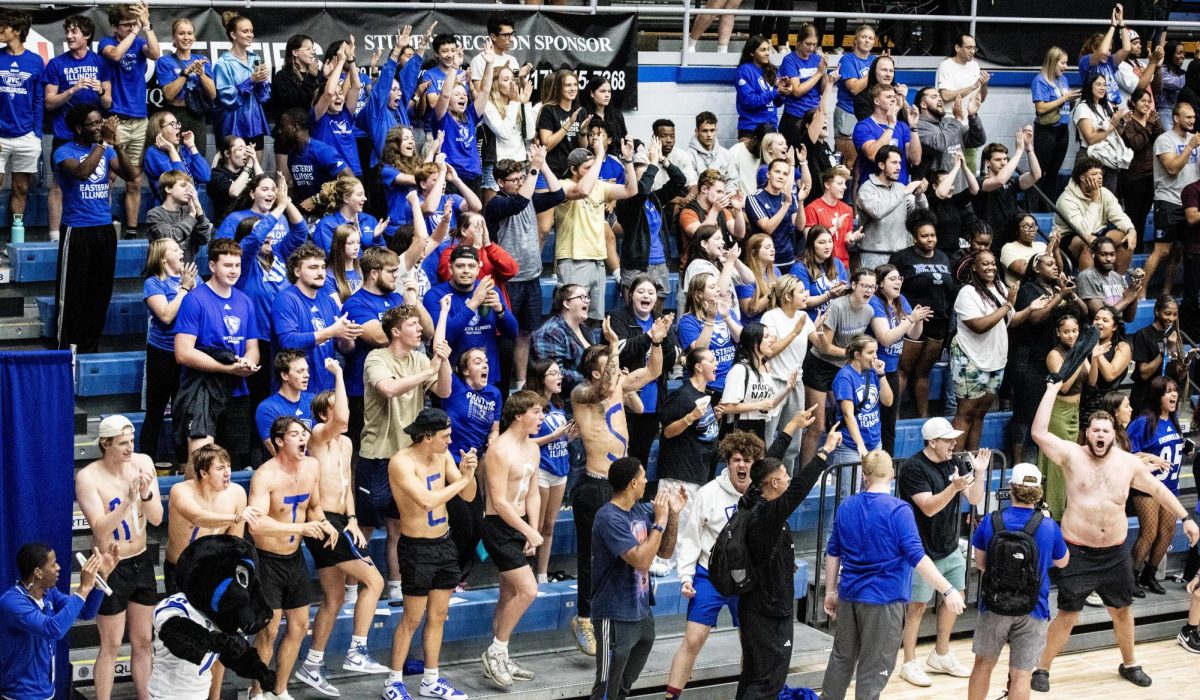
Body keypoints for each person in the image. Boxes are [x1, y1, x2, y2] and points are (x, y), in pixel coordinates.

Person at [1030, 381, 1200, 691]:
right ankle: (1042, 668)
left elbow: (1160, 490)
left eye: (1105, 432)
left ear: (1113, 436)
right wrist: (1052, 391)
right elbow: (1039, 434)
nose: (1100, 436)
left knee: (1122, 611)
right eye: (1095, 431)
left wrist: (1186, 518)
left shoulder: (1128, 463)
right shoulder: (1071, 456)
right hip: (1077, 551)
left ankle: (1130, 663)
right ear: (1087, 434)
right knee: (1068, 613)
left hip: (1114, 552)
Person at [820, 450, 969, 700]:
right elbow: (917, 557)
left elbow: (832, 552)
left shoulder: (847, 506)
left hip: (849, 596)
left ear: (865, 475)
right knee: (873, 667)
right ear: (891, 473)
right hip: (884, 601)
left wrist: (830, 592)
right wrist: (948, 589)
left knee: (841, 658)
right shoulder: (899, 510)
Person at [294, 363, 390, 695]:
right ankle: (357, 650)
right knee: (374, 580)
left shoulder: (345, 445)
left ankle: (312, 664)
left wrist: (352, 519)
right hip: (321, 522)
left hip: (340, 520)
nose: (342, 409)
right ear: (324, 415)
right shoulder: (318, 435)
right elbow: (344, 419)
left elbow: (347, 484)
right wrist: (337, 374)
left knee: (334, 598)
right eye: (337, 403)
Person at [569, 324, 664, 656]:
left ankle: (625, 612)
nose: (617, 363)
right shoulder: (582, 393)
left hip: (621, 485)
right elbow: (603, 389)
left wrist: (656, 341)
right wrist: (612, 343)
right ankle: (584, 618)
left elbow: (654, 370)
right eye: (610, 360)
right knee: (592, 557)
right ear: (597, 371)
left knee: (630, 549)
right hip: (594, 485)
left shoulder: (618, 385)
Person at [382, 409, 478, 700]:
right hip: (416, 549)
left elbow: (469, 495)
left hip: (444, 544)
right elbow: (425, 501)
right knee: (412, 618)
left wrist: (468, 474)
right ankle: (393, 682)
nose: (450, 441)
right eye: (445, 436)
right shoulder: (401, 463)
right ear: (426, 437)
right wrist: (461, 481)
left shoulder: (444, 456)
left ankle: (431, 680)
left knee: (438, 616)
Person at [737, 430, 842, 697]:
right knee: (768, 682)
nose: (788, 478)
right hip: (770, 611)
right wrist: (824, 450)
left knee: (753, 676)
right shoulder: (768, 513)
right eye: (784, 476)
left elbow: (765, 465)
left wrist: (788, 431)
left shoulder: (752, 498)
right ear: (772, 484)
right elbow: (800, 488)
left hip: (755, 606)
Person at [359, 304, 452, 601]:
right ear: (396, 332)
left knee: (399, 525)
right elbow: (388, 389)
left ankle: (396, 586)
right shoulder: (376, 358)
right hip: (377, 453)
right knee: (365, 526)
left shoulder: (420, 358)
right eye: (413, 324)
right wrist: (428, 369)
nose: (420, 329)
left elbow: (444, 391)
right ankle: (351, 589)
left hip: (407, 455)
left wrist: (442, 361)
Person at [245, 417, 339, 699]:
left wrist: (324, 523)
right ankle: (257, 691)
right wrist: (301, 528)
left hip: (294, 557)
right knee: (269, 631)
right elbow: (256, 524)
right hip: (266, 560)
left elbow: (314, 505)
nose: (303, 438)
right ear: (278, 441)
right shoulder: (265, 475)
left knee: (298, 627)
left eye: (304, 433)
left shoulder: (312, 466)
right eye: (295, 434)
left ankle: (280, 690)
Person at [665, 430, 762, 699]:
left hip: (746, 580)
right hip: (710, 575)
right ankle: (672, 696)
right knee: (693, 639)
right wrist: (685, 577)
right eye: (737, 460)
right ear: (728, 463)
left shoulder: (761, 495)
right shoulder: (708, 494)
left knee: (751, 644)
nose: (742, 465)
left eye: (748, 460)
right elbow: (691, 539)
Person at [75, 414, 164, 700]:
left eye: (132, 441)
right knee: (111, 643)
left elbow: (158, 519)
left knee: (143, 640)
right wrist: (127, 499)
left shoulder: (143, 463)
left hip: (140, 558)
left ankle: (144, 696)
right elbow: (100, 528)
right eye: (122, 443)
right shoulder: (88, 476)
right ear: (105, 444)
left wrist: (146, 493)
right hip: (109, 566)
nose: (129, 449)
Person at [896, 418, 988, 687]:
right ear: (932, 442)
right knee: (916, 608)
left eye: (953, 439)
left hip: (949, 545)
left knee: (955, 598)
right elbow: (928, 508)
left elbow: (973, 499)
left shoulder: (955, 462)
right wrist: (954, 487)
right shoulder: (914, 468)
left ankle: (941, 654)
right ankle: (908, 662)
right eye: (948, 440)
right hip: (920, 551)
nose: (954, 443)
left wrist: (979, 473)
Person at [966, 464, 1069, 700]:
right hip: (1034, 607)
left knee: (983, 664)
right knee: (1022, 674)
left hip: (994, 604)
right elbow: (1063, 562)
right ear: (1038, 492)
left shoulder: (991, 521)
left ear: (1011, 488)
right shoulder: (1048, 526)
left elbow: (981, 565)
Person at [588, 457, 685, 700]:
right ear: (632, 483)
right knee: (606, 688)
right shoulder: (609, 517)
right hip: (614, 613)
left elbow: (664, 551)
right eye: (642, 477)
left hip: (641, 612)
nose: (646, 481)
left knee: (623, 686)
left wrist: (673, 515)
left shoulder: (639, 511)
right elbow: (641, 560)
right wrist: (660, 521)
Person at [173, 238, 262, 469]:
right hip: (202, 389)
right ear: (212, 266)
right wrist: (225, 368)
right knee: (201, 463)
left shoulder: (245, 301)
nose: (233, 271)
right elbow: (183, 352)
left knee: (232, 466)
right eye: (227, 265)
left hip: (237, 392)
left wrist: (247, 364)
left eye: (237, 265)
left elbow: (252, 348)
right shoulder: (195, 300)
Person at [53, 106, 135, 354]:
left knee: (99, 296)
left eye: (101, 122)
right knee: (73, 297)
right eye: (93, 124)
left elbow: (131, 175)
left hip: (104, 229)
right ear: (79, 128)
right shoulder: (63, 152)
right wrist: (103, 143)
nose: (99, 127)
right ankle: (66, 352)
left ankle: (89, 351)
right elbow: (81, 173)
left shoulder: (107, 148)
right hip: (77, 231)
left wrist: (117, 145)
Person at [478, 391, 545, 687]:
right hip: (497, 526)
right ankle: (495, 652)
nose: (542, 418)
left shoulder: (532, 449)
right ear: (519, 415)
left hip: (520, 526)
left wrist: (533, 528)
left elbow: (532, 493)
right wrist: (527, 530)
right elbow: (499, 501)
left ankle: (501, 655)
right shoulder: (499, 450)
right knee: (528, 591)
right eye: (536, 412)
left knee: (509, 595)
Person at [0, 543, 115, 700]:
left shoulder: (49, 593)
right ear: (38, 572)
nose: (59, 567)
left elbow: (86, 611)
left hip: (47, 692)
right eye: (53, 564)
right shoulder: (12, 603)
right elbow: (53, 630)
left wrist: (100, 578)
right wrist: (83, 588)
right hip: (21, 695)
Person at [44, 15, 113, 243]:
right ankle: (55, 234)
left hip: (93, 134)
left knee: (103, 179)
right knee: (58, 185)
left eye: (74, 32)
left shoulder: (99, 62)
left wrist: (100, 91)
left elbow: (108, 103)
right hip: (64, 134)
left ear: (87, 35)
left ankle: (102, 221)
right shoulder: (57, 64)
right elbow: (49, 102)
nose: (69, 36)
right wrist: (73, 89)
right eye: (68, 32)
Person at [556, 139, 638, 323]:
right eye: (587, 167)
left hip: (597, 259)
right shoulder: (563, 185)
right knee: (572, 318)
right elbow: (582, 190)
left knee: (594, 320)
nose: (594, 171)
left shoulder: (600, 186)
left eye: (595, 167)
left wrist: (628, 161)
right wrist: (600, 155)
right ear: (573, 169)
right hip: (574, 259)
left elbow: (631, 190)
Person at [98, 1, 160, 239]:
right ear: (114, 27)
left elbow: (155, 54)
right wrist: (136, 30)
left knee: (134, 178)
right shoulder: (107, 43)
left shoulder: (139, 41)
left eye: (133, 24)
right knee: (109, 176)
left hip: (139, 119)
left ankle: (132, 230)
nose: (131, 28)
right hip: (116, 118)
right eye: (126, 25)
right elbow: (114, 56)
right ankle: (101, 224)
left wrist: (147, 26)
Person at [271, 242, 362, 394]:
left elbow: (346, 349)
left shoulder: (328, 300)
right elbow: (288, 342)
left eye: (322, 267)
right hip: (296, 392)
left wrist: (347, 336)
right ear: (297, 271)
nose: (320, 272)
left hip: (326, 388)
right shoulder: (286, 299)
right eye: (313, 268)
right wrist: (332, 331)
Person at [891, 208, 956, 418]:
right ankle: (894, 417)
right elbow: (892, 289)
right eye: (924, 236)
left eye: (933, 235)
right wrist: (903, 315)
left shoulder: (944, 257)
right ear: (914, 237)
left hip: (939, 322)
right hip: (912, 321)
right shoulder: (902, 258)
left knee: (923, 374)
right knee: (903, 371)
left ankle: (923, 419)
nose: (930, 240)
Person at [423, 245, 518, 381]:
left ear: (478, 268)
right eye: (460, 266)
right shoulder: (435, 295)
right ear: (450, 268)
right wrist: (473, 303)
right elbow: (444, 336)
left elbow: (513, 333)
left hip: (487, 375)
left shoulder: (490, 290)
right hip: (452, 377)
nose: (466, 271)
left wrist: (500, 310)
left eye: (471, 266)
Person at [1128, 376, 1186, 596]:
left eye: (1175, 391)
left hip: (1170, 485)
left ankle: (1148, 574)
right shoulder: (1143, 422)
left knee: (1168, 532)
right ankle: (1132, 575)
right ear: (1157, 396)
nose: (1173, 395)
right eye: (1167, 392)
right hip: (1147, 486)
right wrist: (1151, 459)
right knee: (1149, 532)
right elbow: (1126, 452)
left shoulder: (1174, 419)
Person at [141, 238, 196, 461]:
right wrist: (184, 288)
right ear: (163, 258)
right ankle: (146, 463)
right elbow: (165, 315)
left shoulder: (194, 278)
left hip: (189, 352)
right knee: (155, 412)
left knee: (183, 414)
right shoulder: (154, 283)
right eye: (175, 249)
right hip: (162, 354)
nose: (181, 251)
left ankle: (184, 464)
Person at [616, 137, 687, 298]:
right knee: (633, 316)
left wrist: (662, 160)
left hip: (660, 263)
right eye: (642, 177)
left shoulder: (655, 198)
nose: (647, 181)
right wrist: (653, 165)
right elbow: (640, 192)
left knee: (657, 315)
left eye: (646, 175)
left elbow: (680, 181)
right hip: (637, 265)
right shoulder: (624, 201)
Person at [1038, 314, 1093, 519]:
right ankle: (1054, 512)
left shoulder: (1079, 351)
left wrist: (1092, 356)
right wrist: (1079, 355)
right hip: (1058, 412)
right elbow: (1064, 386)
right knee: (1057, 463)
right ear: (1058, 333)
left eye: (1075, 331)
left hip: (1075, 413)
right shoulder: (1055, 354)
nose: (1071, 335)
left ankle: (1069, 508)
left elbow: (1092, 380)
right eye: (1067, 331)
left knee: (1072, 463)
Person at [870, 265, 930, 453]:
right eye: (892, 279)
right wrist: (910, 319)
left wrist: (918, 319)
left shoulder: (901, 300)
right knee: (872, 421)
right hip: (872, 370)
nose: (898, 282)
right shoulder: (874, 303)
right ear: (880, 284)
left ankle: (886, 466)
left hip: (891, 369)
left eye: (899, 278)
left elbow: (914, 334)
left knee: (889, 423)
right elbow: (885, 338)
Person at [527, 359, 576, 583]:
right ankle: (524, 573)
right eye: (553, 374)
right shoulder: (530, 404)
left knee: (549, 526)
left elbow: (562, 439)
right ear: (541, 378)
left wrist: (571, 435)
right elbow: (525, 442)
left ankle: (542, 575)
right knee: (535, 526)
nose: (560, 377)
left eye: (559, 373)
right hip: (542, 470)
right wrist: (554, 436)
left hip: (561, 469)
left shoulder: (558, 404)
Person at [1144, 100, 1200, 295]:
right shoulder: (1165, 140)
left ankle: (1166, 292)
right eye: (1188, 117)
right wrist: (1189, 148)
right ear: (1176, 118)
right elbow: (1172, 168)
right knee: (1162, 250)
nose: (1192, 120)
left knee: (1178, 251)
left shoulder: (1195, 139)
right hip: (1168, 199)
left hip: (1189, 202)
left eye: (1194, 117)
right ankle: (1140, 291)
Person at [0, 9, 44, 242]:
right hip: (0, 136)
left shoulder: (35, 61)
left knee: (21, 190)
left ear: (17, 31)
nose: (0, 30)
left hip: (26, 136)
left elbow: (38, 100)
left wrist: (36, 134)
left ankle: (15, 244)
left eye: (4, 26)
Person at [1052, 157, 1138, 274]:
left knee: (1125, 238)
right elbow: (1084, 231)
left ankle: (1118, 282)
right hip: (1070, 240)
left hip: (1097, 234)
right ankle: (1088, 286)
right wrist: (1095, 200)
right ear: (1083, 178)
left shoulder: (1105, 193)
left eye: (1100, 174)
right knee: (1091, 241)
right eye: (1094, 174)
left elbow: (1119, 215)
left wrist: (1131, 230)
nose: (1099, 177)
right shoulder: (1066, 199)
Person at [858, 145, 929, 270]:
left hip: (901, 253)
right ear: (881, 165)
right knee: (873, 289)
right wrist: (905, 191)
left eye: (900, 163)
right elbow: (877, 212)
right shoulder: (867, 188)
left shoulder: (900, 187)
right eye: (894, 163)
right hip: (875, 254)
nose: (899, 167)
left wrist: (919, 195)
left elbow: (920, 215)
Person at [828, 334, 893, 468]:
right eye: (870, 352)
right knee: (850, 488)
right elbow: (848, 414)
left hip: (875, 441)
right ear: (857, 355)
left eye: (875, 351)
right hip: (851, 445)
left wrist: (881, 374)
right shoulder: (845, 377)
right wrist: (860, 445)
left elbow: (888, 402)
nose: (875, 356)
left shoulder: (873, 372)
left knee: (874, 486)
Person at [213, 12, 270, 157]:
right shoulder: (223, 63)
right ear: (233, 35)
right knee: (234, 173)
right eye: (245, 31)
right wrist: (251, 80)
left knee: (256, 172)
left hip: (254, 123)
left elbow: (264, 97)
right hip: (233, 125)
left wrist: (262, 82)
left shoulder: (255, 58)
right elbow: (227, 98)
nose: (250, 34)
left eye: (251, 31)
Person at [276, 108, 354, 212]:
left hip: (331, 212)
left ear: (295, 127)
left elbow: (351, 180)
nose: (279, 131)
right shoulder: (292, 156)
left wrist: (317, 199)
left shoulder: (322, 151)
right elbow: (302, 189)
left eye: (283, 126)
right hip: (309, 214)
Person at [154, 17, 215, 148]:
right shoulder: (164, 61)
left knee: (197, 157)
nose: (186, 37)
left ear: (194, 37)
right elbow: (169, 95)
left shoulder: (202, 59)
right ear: (173, 37)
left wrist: (201, 74)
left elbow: (213, 94)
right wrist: (186, 72)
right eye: (181, 34)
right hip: (174, 115)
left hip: (197, 116)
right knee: (176, 155)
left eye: (189, 33)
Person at [914, 86, 986, 194]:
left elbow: (978, 140)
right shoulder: (918, 126)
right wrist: (957, 120)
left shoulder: (949, 122)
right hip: (937, 194)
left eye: (939, 96)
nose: (940, 99)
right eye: (934, 97)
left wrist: (973, 116)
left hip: (960, 189)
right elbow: (939, 145)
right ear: (923, 104)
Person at [1031, 46, 1080, 206]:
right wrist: (1064, 98)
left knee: (1053, 173)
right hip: (1046, 131)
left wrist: (1070, 100)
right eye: (1063, 63)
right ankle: (1032, 207)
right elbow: (1041, 108)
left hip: (1062, 130)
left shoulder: (1063, 80)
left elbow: (1064, 106)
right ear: (1053, 61)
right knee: (1039, 172)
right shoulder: (1040, 80)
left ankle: (1048, 208)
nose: (1066, 67)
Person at [935, 33, 990, 170]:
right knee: (950, 166)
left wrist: (983, 85)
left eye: (975, 48)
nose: (972, 51)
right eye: (969, 47)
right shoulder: (946, 65)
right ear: (957, 48)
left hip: (969, 121)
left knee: (970, 167)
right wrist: (972, 86)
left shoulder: (975, 66)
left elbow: (981, 99)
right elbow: (945, 96)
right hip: (949, 121)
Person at [976, 138, 1042, 250]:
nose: (1003, 163)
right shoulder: (980, 181)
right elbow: (999, 181)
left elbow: (1036, 175)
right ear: (987, 162)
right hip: (990, 241)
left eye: (1005, 159)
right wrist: (1018, 151)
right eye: (998, 160)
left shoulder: (1012, 181)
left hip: (1011, 239)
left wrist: (1029, 148)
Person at [1119, 87, 1163, 252]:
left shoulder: (1152, 120)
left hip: (1151, 174)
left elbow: (1162, 138)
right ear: (1134, 103)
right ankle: (1131, 247)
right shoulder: (1129, 123)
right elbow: (1136, 144)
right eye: (1143, 101)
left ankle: (1139, 245)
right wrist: (1150, 125)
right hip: (1133, 176)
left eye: (1149, 101)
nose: (1146, 104)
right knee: (1133, 213)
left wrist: (1155, 124)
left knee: (1144, 213)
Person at [310, 40, 362, 178]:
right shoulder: (318, 116)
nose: (339, 97)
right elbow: (328, 93)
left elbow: (356, 86)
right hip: (330, 174)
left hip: (354, 172)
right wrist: (340, 61)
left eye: (341, 93)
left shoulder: (346, 113)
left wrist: (350, 60)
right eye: (335, 94)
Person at [853, 84, 922, 188]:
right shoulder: (864, 126)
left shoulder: (902, 126)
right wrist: (891, 126)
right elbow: (873, 155)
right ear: (876, 101)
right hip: (874, 191)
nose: (893, 100)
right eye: (888, 97)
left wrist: (913, 127)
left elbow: (915, 159)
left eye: (894, 97)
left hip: (901, 190)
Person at [141, 111, 211, 208]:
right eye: (172, 124)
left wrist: (192, 146)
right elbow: (181, 181)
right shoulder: (153, 153)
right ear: (159, 131)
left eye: (177, 123)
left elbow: (205, 176)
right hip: (170, 213)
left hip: (192, 209)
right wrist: (171, 150)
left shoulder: (183, 149)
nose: (178, 126)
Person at [833, 25, 877, 172]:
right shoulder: (847, 60)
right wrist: (875, 70)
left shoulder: (874, 60)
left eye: (870, 38)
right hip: (848, 112)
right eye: (863, 37)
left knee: (864, 163)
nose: (867, 41)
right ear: (856, 40)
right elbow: (854, 88)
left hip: (868, 113)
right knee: (847, 165)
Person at [254, 350, 315, 455]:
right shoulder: (267, 408)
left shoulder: (313, 400)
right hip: (286, 468)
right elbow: (277, 452)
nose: (307, 375)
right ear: (284, 375)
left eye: (307, 370)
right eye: (300, 371)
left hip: (314, 465)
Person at [1129, 294, 1183, 411]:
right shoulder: (1143, 334)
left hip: (1167, 398)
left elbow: (1178, 375)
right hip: (1146, 398)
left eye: (1175, 314)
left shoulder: (1175, 335)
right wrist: (1165, 350)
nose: (1171, 318)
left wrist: (1185, 365)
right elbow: (1143, 374)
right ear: (1157, 312)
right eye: (1167, 314)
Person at [749, 158, 804, 271]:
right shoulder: (755, 197)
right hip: (765, 261)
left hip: (788, 257)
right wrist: (786, 205)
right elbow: (768, 228)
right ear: (768, 174)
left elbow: (799, 226)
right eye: (777, 172)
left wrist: (800, 201)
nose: (781, 176)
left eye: (785, 174)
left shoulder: (788, 197)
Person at [146, 170, 212, 264]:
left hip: (187, 272)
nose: (189, 191)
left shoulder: (190, 211)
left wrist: (198, 208)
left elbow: (204, 239)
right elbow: (170, 238)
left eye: (190, 187)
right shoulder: (154, 214)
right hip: (162, 275)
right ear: (168, 189)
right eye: (183, 186)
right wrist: (191, 216)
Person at [778, 24, 827, 149]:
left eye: (814, 45)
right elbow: (797, 91)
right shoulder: (790, 60)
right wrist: (819, 73)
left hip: (813, 115)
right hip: (795, 116)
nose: (811, 48)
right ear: (799, 42)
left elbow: (822, 90)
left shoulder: (817, 59)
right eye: (808, 44)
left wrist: (825, 74)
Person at [312, 176, 388, 254]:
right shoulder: (326, 225)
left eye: (364, 194)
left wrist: (377, 239)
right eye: (359, 194)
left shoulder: (370, 220)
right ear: (345, 198)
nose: (365, 198)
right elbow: (332, 259)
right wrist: (355, 238)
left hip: (371, 266)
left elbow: (382, 257)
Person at [1076, 236, 1142, 322]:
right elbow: (1101, 317)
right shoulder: (1086, 277)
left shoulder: (1118, 277)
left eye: (1112, 254)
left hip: (1117, 331)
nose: (1109, 259)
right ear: (1094, 254)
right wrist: (1127, 299)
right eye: (1103, 255)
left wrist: (1135, 291)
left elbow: (1129, 318)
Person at [805, 166, 858, 270]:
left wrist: (851, 240)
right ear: (827, 184)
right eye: (839, 183)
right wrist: (835, 228)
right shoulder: (812, 208)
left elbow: (847, 243)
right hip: (821, 265)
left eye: (844, 183)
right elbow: (809, 239)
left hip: (843, 265)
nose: (845, 187)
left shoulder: (847, 209)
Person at [792, 225, 849, 320]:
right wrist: (829, 295)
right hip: (811, 321)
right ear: (811, 245)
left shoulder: (837, 263)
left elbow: (847, 294)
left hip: (834, 319)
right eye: (822, 242)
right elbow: (803, 302)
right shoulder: (800, 268)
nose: (828, 246)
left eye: (830, 241)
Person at [735, 36, 785, 139]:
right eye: (762, 50)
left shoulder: (772, 70)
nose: (767, 53)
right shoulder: (744, 71)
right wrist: (776, 92)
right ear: (752, 53)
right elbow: (749, 101)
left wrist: (783, 91)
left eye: (768, 49)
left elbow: (778, 103)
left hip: (771, 127)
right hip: (751, 129)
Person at [677, 111, 741, 191]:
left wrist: (724, 197)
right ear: (697, 132)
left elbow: (732, 180)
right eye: (705, 131)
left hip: (723, 200)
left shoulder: (725, 154)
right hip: (700, 201)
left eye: (712, 130)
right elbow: (692, 184)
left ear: (716, 131)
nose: (709, 135)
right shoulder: (688, 156)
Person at [209, 136, 262, 220]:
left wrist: (254, 160)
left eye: (246, 149)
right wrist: (249, 165)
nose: (245, 153)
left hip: (249, 223)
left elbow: (264, 184)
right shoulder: (216, 174)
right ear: (227, 153)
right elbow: (234, 192)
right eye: (240, 149)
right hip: (228, 225)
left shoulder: (246, 172)